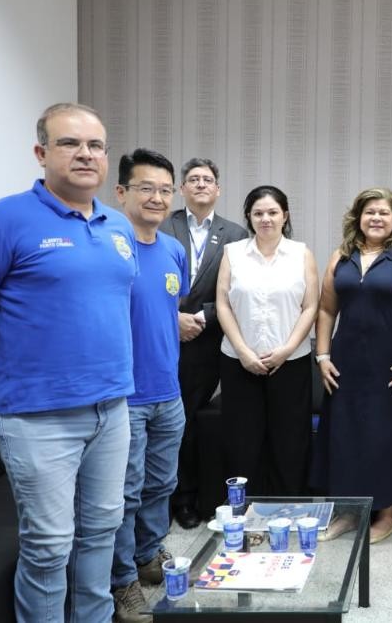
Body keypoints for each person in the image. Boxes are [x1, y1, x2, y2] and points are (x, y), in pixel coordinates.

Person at [0, 103, 135, 622]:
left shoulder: (118, 226)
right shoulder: (1, 221)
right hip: (35, 416)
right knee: (48, 547)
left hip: (111, 410)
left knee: (102, 531)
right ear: (41, 152)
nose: (86, 154)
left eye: (96, 145)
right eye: (70, 143)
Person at [310, 187, 392, 544]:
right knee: (345, 436)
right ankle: (349, 513)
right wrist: (322, 356)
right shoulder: (341, 257)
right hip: (345, 364)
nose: (376, 218)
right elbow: (326, 310)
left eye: (383, 212)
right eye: (370, 212)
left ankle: (387, 516)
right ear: (358, 218)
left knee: (385, 438)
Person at [110, 149, 189, 623]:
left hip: (168, 391)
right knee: (125, 493)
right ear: (121, 192)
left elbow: (164, 310)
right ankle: (122, 583)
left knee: (162, 484)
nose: (157, 198)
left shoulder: (173, 249)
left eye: (165, 190)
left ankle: (147, 553)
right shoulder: (108, 246)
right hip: (124, 396)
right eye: (146, 188)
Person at [160, 158, 248, 529]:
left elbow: (239, 289)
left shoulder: (235, 234)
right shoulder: (162, 225)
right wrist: (173, 319)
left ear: (217, 189)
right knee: (159, 422)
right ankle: (158, 499)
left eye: (207, 179)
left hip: (205, 341)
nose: (200, 184)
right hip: (159, 337)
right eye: (193, 179)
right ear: (182, 189)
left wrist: (200, 318)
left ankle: (186, 498)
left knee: (189, 421)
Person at [215, 185, 318, 496]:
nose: (266, 219)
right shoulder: (233, 253)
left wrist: (286, 350)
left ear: (285, 216)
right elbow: (223, 304)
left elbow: (310, 306)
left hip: (291, 362)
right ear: (249, 217)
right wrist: (243, 351)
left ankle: (290, 508)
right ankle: (243, 509)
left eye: (273, 212)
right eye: (258, 213)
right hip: (239, 362)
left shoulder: (301, 253)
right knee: (242, 441)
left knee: (290, 441)